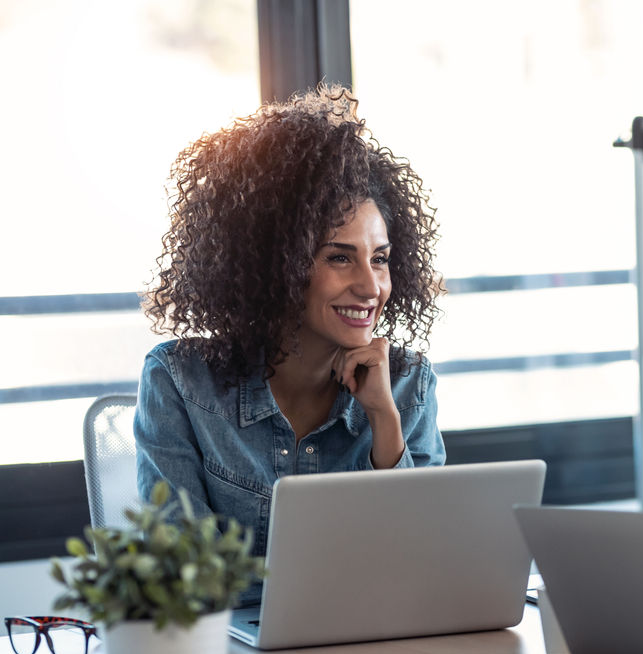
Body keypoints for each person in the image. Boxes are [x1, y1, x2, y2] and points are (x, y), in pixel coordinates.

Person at [135, 85, 446, 559]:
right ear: (276, 264)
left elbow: (424, 563)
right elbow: (181, 572)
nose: (370, 286)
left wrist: (385, 421)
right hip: (233, 614)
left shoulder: (407, 386)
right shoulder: (181, 382)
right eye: (339, 258)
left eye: (380, 259)